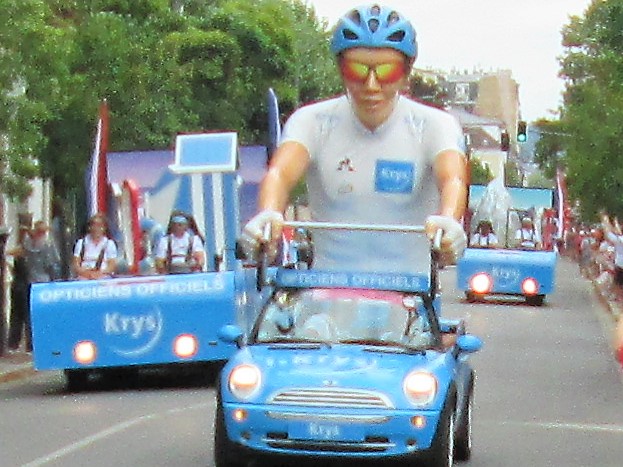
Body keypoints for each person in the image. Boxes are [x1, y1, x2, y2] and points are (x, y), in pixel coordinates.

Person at [241, 4, 467, 274]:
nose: (371, 85)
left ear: (406, 73)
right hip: (329, 294)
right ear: (340, 69)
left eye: (386, 72)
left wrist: (450, 221)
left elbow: (453, 178)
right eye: (357, 70)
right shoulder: (311, 121)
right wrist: (267, 214)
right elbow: (279, 173)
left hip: (411, 298)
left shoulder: (435, 124)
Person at [6, 224, 33, 353]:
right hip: (21, 284)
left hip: (21, 284)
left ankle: (16, 344)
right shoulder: (26, 247)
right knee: (23, 315)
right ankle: (22, 344)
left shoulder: (25, 247)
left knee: (20, 315)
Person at [72, 213, 118, 280]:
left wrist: (99, 273)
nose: (96, 228)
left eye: (99, 226)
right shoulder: (81, 243)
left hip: (103, 277)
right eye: (94, 225)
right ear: (89, 227)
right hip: (84, 276)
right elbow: (76, 265)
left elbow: (111, 266)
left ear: (104, 228)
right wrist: (87, 273)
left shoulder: (109, 244)